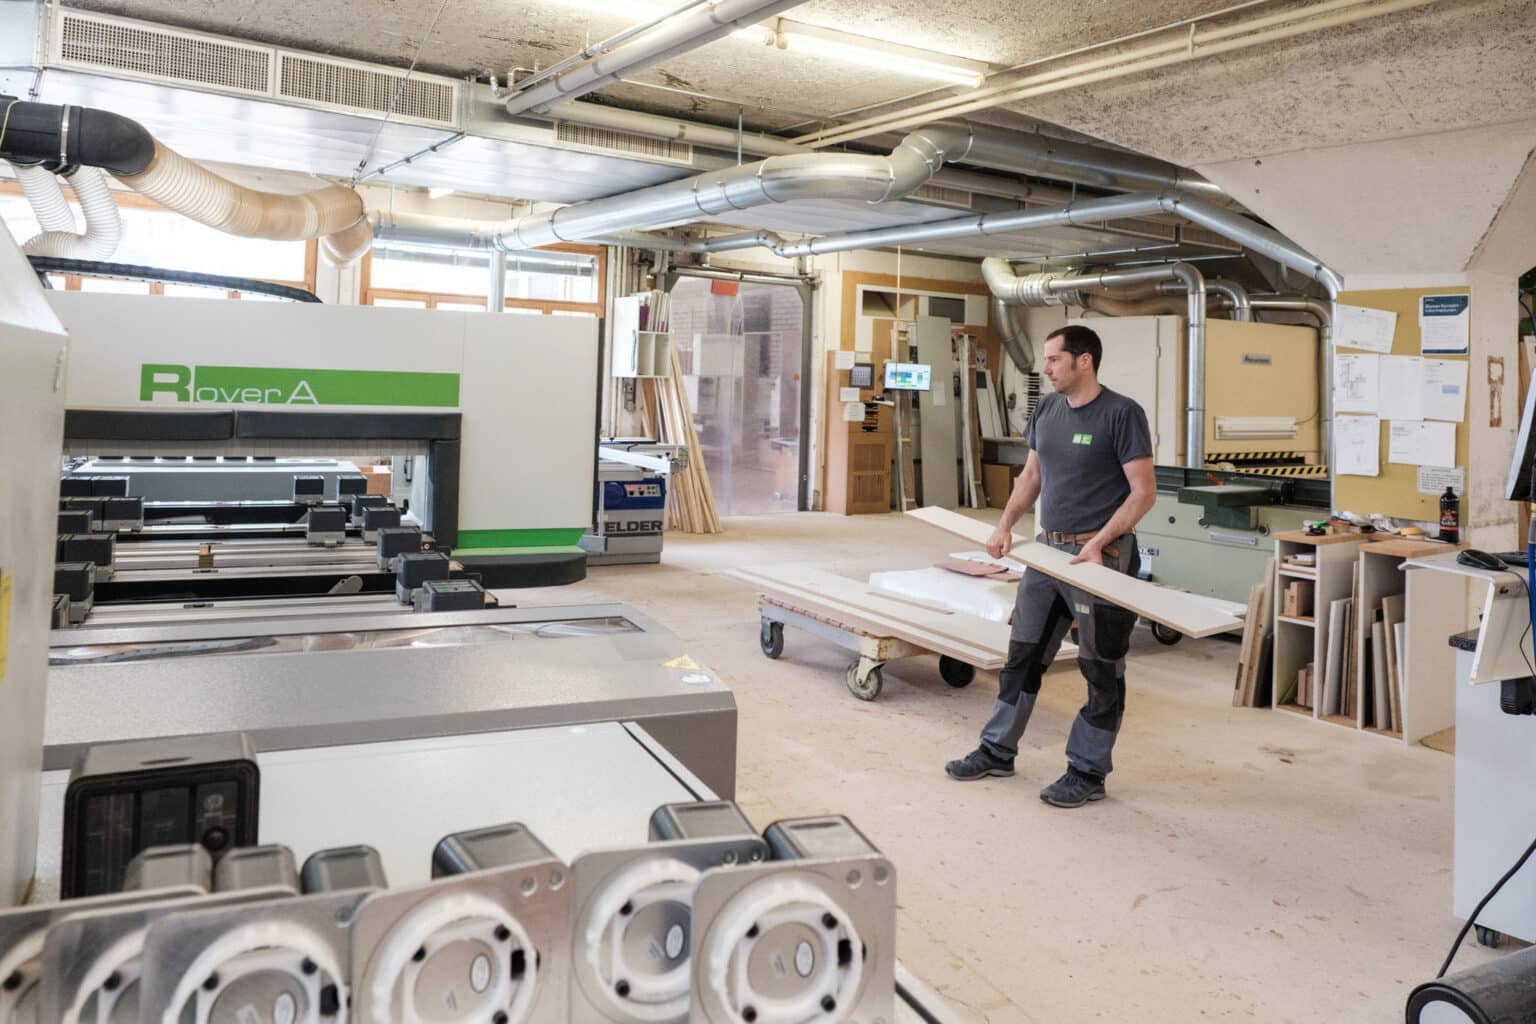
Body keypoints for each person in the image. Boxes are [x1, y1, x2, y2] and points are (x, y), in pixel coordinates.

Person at [945, 323, 1157, 808]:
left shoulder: (1122, 414)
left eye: (1054, 359)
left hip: (1100, 558)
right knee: (1022, 655)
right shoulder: (1047, 409)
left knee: (1100, 667)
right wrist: (1004, 526)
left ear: (1084, 361)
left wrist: (1099, 543)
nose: (1045, 369)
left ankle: (1088, 771)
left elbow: (1144, 492)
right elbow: (1031, 475)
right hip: (1047, 553)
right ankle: (997, 750)